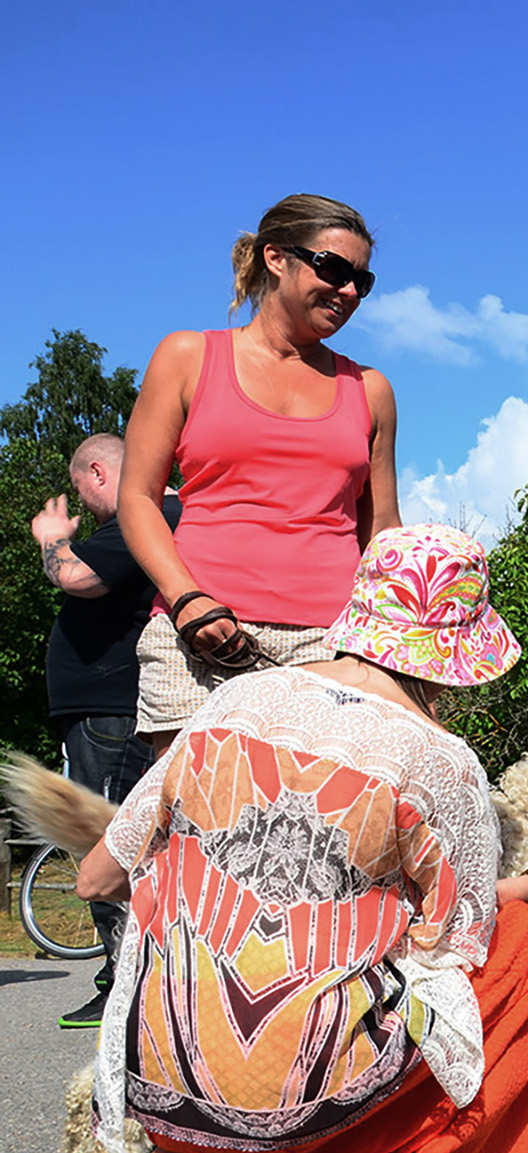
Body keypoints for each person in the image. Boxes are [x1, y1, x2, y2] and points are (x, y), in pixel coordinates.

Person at [74, 524, 528, 1153]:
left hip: (167, 1067)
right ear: (454, 652)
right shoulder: (437, 757)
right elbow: (459, 945)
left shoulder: (232, 700)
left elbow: (98, 876)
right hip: (310, 1081)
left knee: (266, 992)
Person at [118, 193, 400, 748]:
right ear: (276, 258)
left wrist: (389, 642)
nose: (347, 291)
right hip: (197, 635)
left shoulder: (371, 390)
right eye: (334, 269)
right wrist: (186, 599)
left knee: (319, 828)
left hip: (332, 647)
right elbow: (137, 499)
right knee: (198, 825)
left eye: (360, 282)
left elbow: (383, 528)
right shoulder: (187, 357)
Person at [32, 434, 182, 1029]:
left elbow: (76, 578)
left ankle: (129, 988)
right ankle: (129, 979)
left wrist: (55, 542)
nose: (82, 502)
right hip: (109, 712)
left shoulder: (145, 514)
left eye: (80, 489)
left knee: (111, 839)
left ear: (98, 472)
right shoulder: (160, 516)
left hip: (112, 713)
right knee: (126, 838)